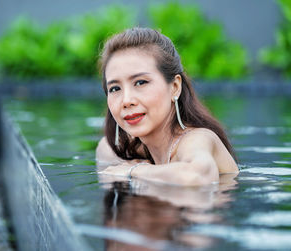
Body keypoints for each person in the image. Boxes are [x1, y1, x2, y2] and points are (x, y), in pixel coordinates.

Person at [96, 27, 239, 186]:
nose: (126, 100)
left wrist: (134, 171)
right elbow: (105, 151)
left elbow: (197, 176)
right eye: (115, 88)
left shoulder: (197, 139)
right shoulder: (136, 148)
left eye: (141, 82)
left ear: (175, 87)